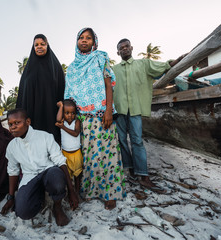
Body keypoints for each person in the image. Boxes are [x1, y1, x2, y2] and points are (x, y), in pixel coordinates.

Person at [113, 38, 186, 193]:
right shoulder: (114, 69)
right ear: (118, 52)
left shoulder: (143, 64)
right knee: (121, 140)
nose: (124, 49)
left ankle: (144, 176)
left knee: (137, 140)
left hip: (135, 109)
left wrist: (178, 60)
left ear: (131, 48)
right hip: (118, 110)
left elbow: (163, 66)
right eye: (121, 48)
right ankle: (130, 169)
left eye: (127, 46)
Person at [64, 27, 125, 210]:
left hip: (102, 115)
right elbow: (70, 95)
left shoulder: (101, 57)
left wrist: (108, 111)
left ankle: (110, 193)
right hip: (83, 118)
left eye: (88, 38)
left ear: (94, 42)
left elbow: (109, 84)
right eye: (81, 38)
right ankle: (90, 191)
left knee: (108, 153)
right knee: (89, 155)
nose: (84, 40)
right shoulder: (72, 67)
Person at [0, 109, 78, 226]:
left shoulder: (45, 137)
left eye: (17, 123)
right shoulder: (12, 146)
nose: (13, 127)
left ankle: (57, 206)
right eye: (10, 124)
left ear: (28, 122)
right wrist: (11, 197)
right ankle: (38, 196)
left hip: (49, 173)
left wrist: (71, 191)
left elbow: (61, 162)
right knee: (23, 212)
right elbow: (13, 171)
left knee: (55, 177)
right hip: (29, 177)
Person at [16, 34, 65, 144]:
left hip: (50, 114)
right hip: (32, 114)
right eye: (36, 45)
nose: (39, 47)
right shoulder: (28, 70)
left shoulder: (56, 67)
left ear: (47, 45)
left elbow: (62, 89)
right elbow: (22, 94)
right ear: (33, 47)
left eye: (42, 44)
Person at [55, 99, 82, 194]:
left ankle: (77, 192)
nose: (70, 115)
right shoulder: (62, 121)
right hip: (65, 154)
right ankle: (70, 193)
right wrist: (61, 106)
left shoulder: (77, 122)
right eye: (66, 113)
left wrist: (63, 127)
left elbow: (75, 133)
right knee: (67, 175)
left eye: (72, 113)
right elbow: (58, 119)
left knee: (78, 174)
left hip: (76, 153)